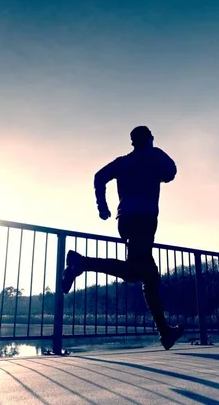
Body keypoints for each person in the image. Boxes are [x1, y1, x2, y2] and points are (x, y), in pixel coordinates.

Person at [61, 125, 184, 350]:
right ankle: (81, 263)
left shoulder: (123, 162)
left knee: (149, 276)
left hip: (125, 219)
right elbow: (171, 172)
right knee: (135, 273)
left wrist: (103, 206)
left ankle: (165, 332)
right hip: (144, 219)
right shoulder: (153, 155)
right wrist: (155, 152)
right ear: (148, 139)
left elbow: (99, 177)